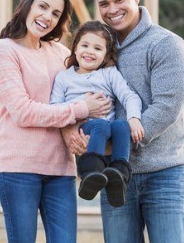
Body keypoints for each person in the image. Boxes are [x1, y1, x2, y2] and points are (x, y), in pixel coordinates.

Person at [0, 0, 111, 243]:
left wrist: (70, 124)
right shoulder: (4, 50)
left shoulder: (59, 52)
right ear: (27, 4)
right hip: (18, 167)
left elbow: (64, 99)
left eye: (55, 13)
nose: (47, 17)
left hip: (60, 167)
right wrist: (81, 108)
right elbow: (22, 111)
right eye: (43, 6)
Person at [95, 0, 184, 243]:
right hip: (115, 178)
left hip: (163, 174)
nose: (112, 10)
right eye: (104, 4)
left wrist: (118, 146)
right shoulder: (98, 49)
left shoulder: (166, 44)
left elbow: (165, 109)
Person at [50, 20, 143, 206]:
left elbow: (129, 96)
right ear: (75, 48)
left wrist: (134, 118)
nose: (90, 51)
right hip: (85, 128)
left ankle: (119, 173)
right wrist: (80, 107)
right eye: (85, 45)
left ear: (106, 54)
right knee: (100, 125)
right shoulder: (64, 77)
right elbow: (55, 107)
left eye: (98, 48)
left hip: (108, 128)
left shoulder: (109, 73)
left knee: (121, 125)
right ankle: (90, 173)